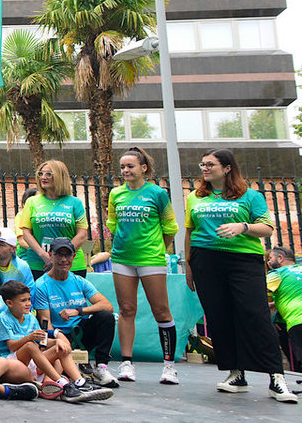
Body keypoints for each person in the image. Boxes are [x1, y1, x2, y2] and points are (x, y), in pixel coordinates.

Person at [184, 148, 297, 402]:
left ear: (227, 168)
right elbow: (190, 233)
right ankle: (236, 374)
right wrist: (189, 266)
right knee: (219, 316)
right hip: (206, 261)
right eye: (203, 164)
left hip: (243, 261)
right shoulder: (195, 197)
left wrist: (242, 227)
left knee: (254, 314)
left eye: (210, 164)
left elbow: (267, 228)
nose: (204, 168)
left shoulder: (250, 196)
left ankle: (276, 378)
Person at [105, 146, 179, 385]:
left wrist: (158, 248)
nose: (125, 170)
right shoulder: (116, 194)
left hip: (151, 259)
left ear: (143, 168)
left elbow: (170, 227)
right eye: (123, 167)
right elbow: (113, 223)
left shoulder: (158, 193)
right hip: (122, 259)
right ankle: (127, 363)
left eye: (130, 166)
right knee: (126, 309)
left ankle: (169, 366)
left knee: (161, 311)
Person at [0, 280, 111, 403]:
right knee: (30, 346)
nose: (28, 304)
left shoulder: (30, 317)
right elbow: (12, 346)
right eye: (23, 300)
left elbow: (42, 341)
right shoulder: (3, 319)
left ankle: (78, 383)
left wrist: (57, 342)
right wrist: (29, 337)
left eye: (29, 299)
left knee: (60, 347)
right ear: (9, 303)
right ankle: (63, 384)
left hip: (34, 362)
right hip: (14, 362)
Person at [31, 237, 118, 388]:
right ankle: (73, 373)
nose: (63, 259)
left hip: (81, 334)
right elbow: (46, 323)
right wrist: (59, 340)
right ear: (50, 255)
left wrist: (79, 311)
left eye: (67, 255)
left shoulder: (79, 281)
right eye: (59, 254)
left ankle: (101, 366)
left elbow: (107, 306)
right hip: (60, 335)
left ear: (73, 257)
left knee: (105, 317)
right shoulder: (41, 285)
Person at [17, 160, 89, 280]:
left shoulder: (75, 202)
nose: (43, 177)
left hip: (72, 265)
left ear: (61, 176)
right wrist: (45, 256)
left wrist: (62, 256)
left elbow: (82, 234)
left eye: (49, 174)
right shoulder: (32, 202)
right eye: (41, 174)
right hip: (38, 264)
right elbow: (26, 233)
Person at [267, 246, 302, 372]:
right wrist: (274, 304)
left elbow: (258, 295)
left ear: (280, 258)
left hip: (298, 321)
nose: (269, 262)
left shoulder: (276, 274)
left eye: (270, 258)